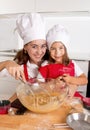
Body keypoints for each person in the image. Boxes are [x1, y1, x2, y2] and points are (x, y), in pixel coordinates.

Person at [0, 13, 49, 103]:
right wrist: (6, 63)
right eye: (34, 46)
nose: (39, 51)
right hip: (28, 105)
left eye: (43, 46)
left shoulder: (51, 62)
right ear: (25, 47)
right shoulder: (21, 65)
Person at [37, 24, 88, 97]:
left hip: (71, 98)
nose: (57, 53)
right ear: (49, 50)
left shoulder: (72, 63)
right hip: (53, 99)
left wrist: (70, 79)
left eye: (61, 48)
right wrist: (53, 83)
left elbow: (84, 80)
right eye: (53, 49)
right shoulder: (46, 65)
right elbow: (38, 86)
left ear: (65, 49)